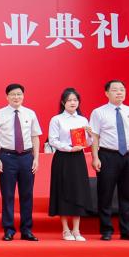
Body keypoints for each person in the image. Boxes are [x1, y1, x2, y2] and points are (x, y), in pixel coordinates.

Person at [90, 80, 129, 241]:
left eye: (122, 89)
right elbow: (94, 136)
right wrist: (95, 157)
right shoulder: (98, 112)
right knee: (105, 193)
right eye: (115, 90)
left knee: (128, 194)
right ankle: (106, 230)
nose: (119, 92)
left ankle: (127, 230)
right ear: (107, 93)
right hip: (108, 155)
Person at [0, 83, 42, 242]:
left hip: (26, 157)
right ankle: (9, 229)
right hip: (7, 157)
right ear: (7, 97)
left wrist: (36, 158)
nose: (16, 97)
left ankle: (27, 230)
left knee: (27, 194)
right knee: (8, 195)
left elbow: (35, 136)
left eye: (19, 94)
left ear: (23, 96)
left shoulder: (30, 113)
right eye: (13, 94)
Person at [47, 88, 95, 241]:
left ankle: (76, 230)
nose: (73, 103)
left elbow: (88, 143)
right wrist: (68, 148)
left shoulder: (83, 120)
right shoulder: (57, 119)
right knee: (63, 191)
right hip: (63, 157)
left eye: (75, 100)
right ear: (63, 102)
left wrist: (91, 135)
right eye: (69, 100)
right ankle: (66, 230)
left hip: (78, 158)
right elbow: (53, 140)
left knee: (78, 191)